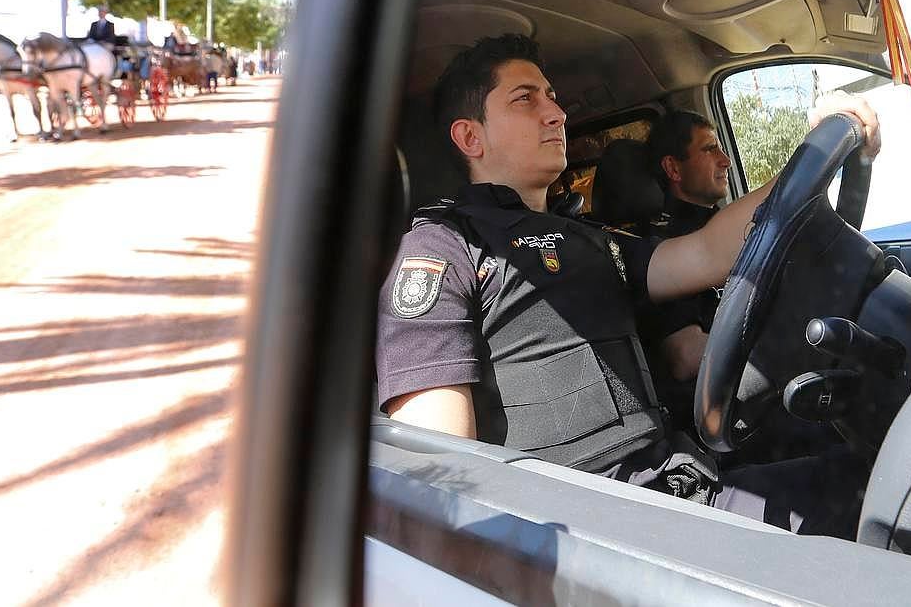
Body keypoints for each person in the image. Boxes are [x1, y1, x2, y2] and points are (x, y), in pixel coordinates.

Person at [376, 34, 881, 535]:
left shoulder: (593, 242)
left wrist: (811, 153)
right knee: (877, 508)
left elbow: (704, 252)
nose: (555, 113)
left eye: (551, 97)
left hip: (673, 480)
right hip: (594, 529)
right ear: (470, 138)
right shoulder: (442, 248)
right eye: (525, 99)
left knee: (875, 478)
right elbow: (440, 473)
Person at [640, 111, 732, 427]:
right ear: (673, 168)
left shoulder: (724, 223)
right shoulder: (661, 248)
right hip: (722, 405)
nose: (726, 161)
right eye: (709, 149)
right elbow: (685, 356)